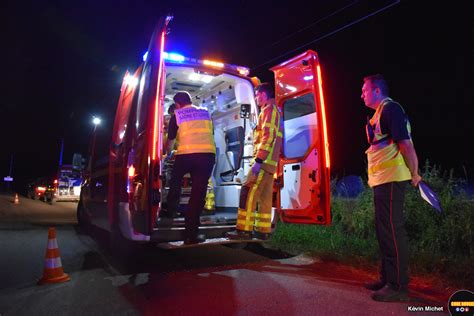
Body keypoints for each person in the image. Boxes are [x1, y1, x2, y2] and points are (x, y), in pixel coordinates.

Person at [361, 74, 422, 302]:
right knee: (384, 232)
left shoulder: (391, 109)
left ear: (377, 91)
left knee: (393, 233)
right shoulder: (379, 113)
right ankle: (387, 279)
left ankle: (398, 287)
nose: (362, 94)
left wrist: (415, 173)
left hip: (393, 180)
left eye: (365, 90)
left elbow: (405, 144)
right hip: (383, 180)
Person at [226, 82, 282, 241]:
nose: (256, 98)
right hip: (270, 164)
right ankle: (263, 231)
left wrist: (258, 160)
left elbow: (267, 137)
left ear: (263, 95)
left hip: (263, 163)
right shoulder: (275, 111)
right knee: (264, 197)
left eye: (257, 95)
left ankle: (243, 230)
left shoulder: (268, 111)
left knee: (247, 192)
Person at [162, 91, 216, 245]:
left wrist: (167, 154)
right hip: (207, 156)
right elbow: (211, 132)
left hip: (185, 155)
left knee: (175, 181)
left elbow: (170, 141)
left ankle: (171, 211)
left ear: (177, 105)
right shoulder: (205, 112)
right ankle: (191, 234)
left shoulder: (177, 115)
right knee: (198, 194)